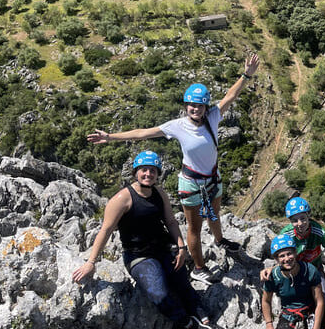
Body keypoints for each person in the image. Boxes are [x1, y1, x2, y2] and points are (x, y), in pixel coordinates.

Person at [87, 53, 260, 285]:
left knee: (214, 214)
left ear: (205, 105)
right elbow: (143, 133)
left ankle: (220, 241)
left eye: (198, 105)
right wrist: (110, 137)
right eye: (190, 104)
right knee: (195, 228)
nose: (194, 108)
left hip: (212, 177)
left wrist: (246, 74)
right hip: (191, 182)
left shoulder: (213, 116)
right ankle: (199, 267)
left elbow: (231, 95)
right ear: (186, 105)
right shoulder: (177, 126)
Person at [71, 151, 227, 329]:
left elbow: (170, 221)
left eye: (153, 171)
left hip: (163, 248)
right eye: (144, 170)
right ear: (136, 172)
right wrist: (91, 262)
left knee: (183, 285)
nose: (148, 174)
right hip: (139, 256)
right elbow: (105, 230)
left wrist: (180, 247)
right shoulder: (122, 199)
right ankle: (189, 324)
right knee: (160, 295)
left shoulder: (159, 193)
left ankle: (205, 320)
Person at [260, 197, 325, 298]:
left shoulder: (319, 232)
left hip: (315, 270)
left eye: (303, 218)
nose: (300, 224)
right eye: (294, 220)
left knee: (324, 299)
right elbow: (282, 259)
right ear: (290, 221)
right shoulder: (286, 235)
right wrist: (272, 269)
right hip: (294, 271)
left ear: (308, 216)